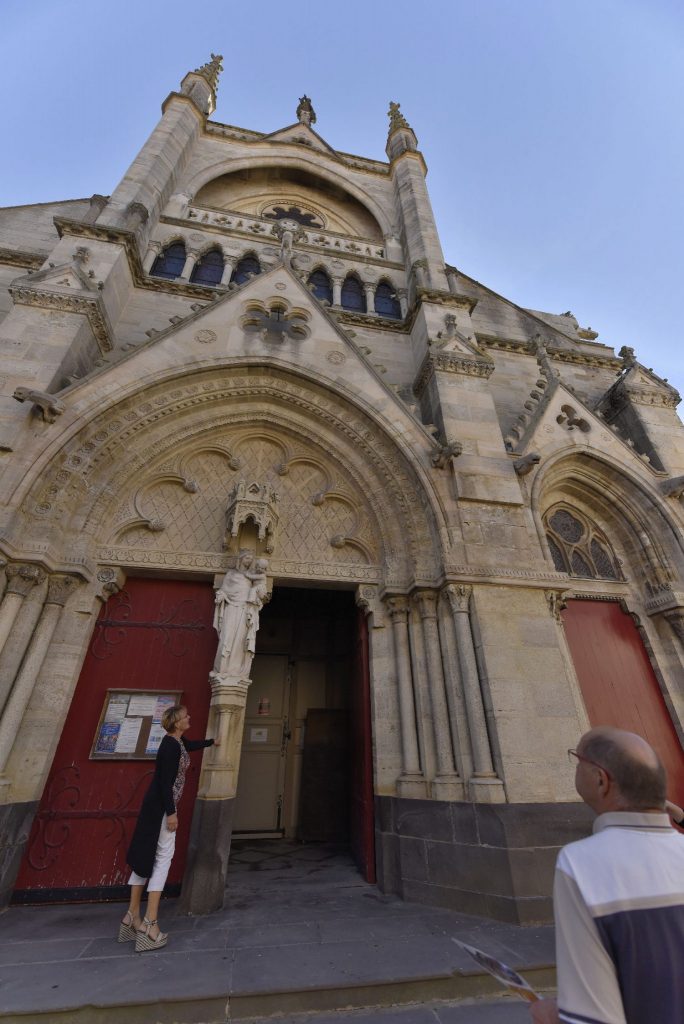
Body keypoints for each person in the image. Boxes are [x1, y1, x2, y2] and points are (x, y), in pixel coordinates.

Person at [530, 727, 684, 1024]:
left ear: (601, 780)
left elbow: (592, 1018)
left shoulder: (581, 864)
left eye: (577, 760)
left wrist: (553, 1016)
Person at [118, 704, 217, 952]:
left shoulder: (175, 742)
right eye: (186, 716)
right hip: (163, 808)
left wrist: (210, 742)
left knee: (144, 856)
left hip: (154, 807)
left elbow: (189, 746)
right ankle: (150, 926)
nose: (189, 717)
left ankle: (131, 917)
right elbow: (165, 782)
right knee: (162, 858)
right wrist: (171, 813)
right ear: (176, 722)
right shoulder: (171, 747)